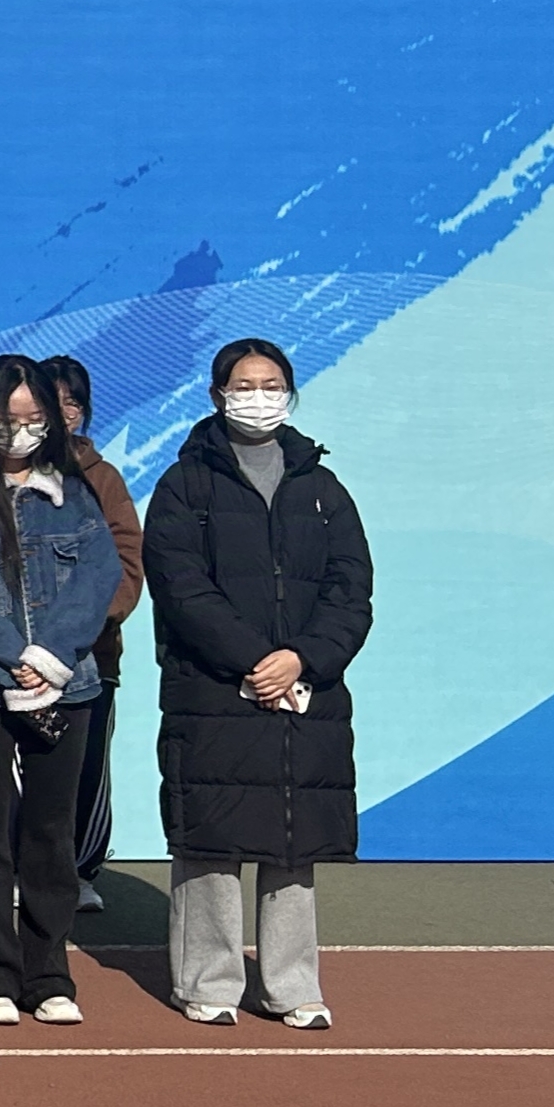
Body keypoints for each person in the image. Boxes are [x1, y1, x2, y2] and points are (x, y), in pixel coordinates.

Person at [146, 338, 373, 1031]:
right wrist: (254, 659)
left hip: (303, 694)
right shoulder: (185, 485)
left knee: (292, 838)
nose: (258, 397)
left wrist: (300, 659)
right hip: (214, 692)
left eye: (271, 384)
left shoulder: (322, 488)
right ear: (217, 395)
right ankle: (207, 981)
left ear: (290, 393)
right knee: (211, 840)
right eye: (243, 386)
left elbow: (350, 590)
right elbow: (181, 587)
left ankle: (291, 985)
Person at [0, 355, 121, 1027]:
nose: (22, 429)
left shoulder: (74, 493)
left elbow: (98, 576)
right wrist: (14, 661)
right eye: (9, 418)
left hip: (67, 686)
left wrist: (51, 658)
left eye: (35, 417)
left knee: (49, 833)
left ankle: (48, 972)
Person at [39, 355, 144, 912]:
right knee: (14, 773)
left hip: (89, 657)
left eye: (73, 402)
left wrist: (81, 628)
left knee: (84, 769)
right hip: (9, 659)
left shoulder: (102, 478)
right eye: (49, 400)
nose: (62, 412)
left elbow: (126, 562)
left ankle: (78, 871)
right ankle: (19, 867)